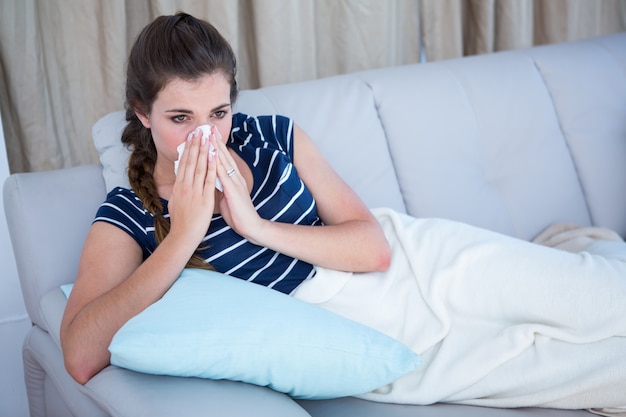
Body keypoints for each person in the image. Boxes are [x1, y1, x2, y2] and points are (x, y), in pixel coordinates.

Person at [60, 12, 626, 411]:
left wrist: (254, 226)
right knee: (597, 376)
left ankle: (575, 252)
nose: (207, 137)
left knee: (603, 297)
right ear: (142, 113)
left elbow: (373, 248)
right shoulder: (129, 212)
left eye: (218, 113)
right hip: (363, 331)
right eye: (181, 119)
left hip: (417, 262)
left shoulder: (272, 137)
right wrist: (182, 238)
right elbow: (81, 355)